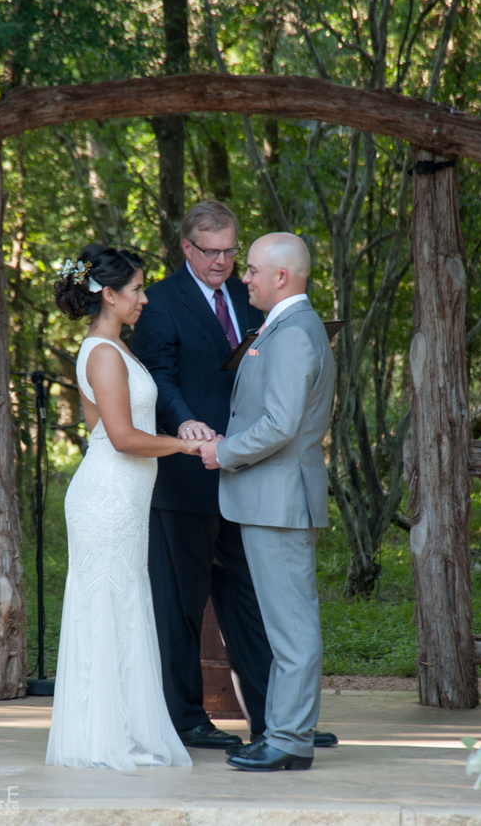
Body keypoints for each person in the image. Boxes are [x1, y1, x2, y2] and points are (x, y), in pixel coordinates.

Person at [46, 244, 202, 771]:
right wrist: (184, 446)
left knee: (124, 609)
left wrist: (182, 430)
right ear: (108, 295)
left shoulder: (118, 348)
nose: (145, 297)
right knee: (106, 609)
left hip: (126, 499)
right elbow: (121, 437)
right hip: (107, 497)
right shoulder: (104, 352)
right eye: (136, 289)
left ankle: (120, 731)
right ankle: (100, 739)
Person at [131, 200, 273, 750]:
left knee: (249, 603)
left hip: (244, 473)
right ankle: (185, 719)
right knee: (181, 606)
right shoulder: (159, 302)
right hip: (184, 476)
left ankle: (274, 722)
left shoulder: (248, 294)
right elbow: (157, 377)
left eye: (230, 251)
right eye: (210, 252)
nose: (222, 262)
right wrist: (185, 419)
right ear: (187, 249)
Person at [200, 233, 335, 772]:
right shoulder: (283, 328)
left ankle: (290, 740)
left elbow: (281, 424)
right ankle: (282, 732)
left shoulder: (294, 334)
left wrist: (224, 453)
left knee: (291, 627)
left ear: (282, 277)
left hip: (278, 502)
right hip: (267, 501)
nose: (243, 277)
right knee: (284, 626)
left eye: (252, 269)